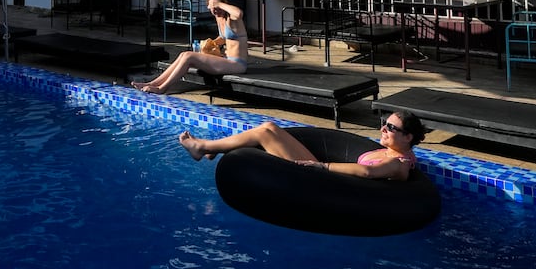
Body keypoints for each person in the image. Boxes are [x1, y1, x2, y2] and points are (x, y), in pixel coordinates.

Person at [177, 112, 426, 180]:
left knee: (265, 133)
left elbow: (368, 172)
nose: (384, 129)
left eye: (391, 128)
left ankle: (204, 147)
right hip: (330, 177)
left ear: (408, 138)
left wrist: (322, 166)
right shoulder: (392, 150)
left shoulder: (398, 163)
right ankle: (212, 148)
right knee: (269, 127)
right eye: (384, 124)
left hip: (331, 187)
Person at [132, 0, 248, 93]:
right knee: (184, 54)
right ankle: (153, 83)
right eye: (213, 9)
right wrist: (210, 43)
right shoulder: (218, 17)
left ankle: (162, 88)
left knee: (189, 56)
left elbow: (239, 13)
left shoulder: (232, 18)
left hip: (237, 64)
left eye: (217, 8)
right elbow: (224, 38)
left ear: (223, 5)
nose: (216, 11)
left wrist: (219, 4)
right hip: (226, 60)